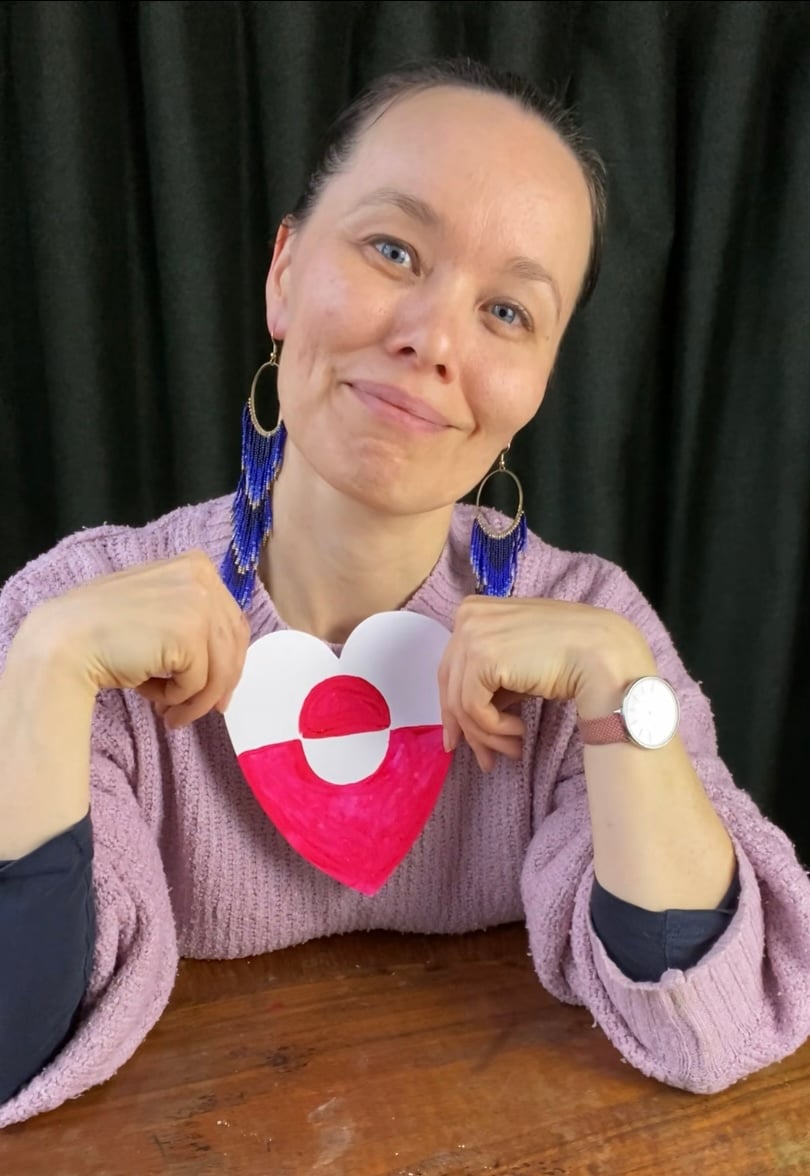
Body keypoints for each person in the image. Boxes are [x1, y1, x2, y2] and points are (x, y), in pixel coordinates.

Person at [1, 56, 809, 1128]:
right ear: (284, 273)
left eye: (510, 314)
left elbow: (712, 1020)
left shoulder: (588, 624)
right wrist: (44, 674)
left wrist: (622, 690)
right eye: (393, 250)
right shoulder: (80, 612)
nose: (433, 340)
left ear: (541, 384)